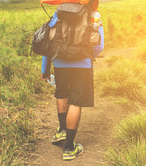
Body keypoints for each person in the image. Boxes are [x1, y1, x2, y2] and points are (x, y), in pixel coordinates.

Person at [40, 10, 104, 161]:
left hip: (59, 62)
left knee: (61, 93)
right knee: (76, 101)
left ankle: (62, 130)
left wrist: (45, 69)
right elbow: (99, 46)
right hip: (82, 64)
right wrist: (86, 56)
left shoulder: (57, 14)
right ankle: (69, 147)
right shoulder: (93, 14)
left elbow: (48, 44)